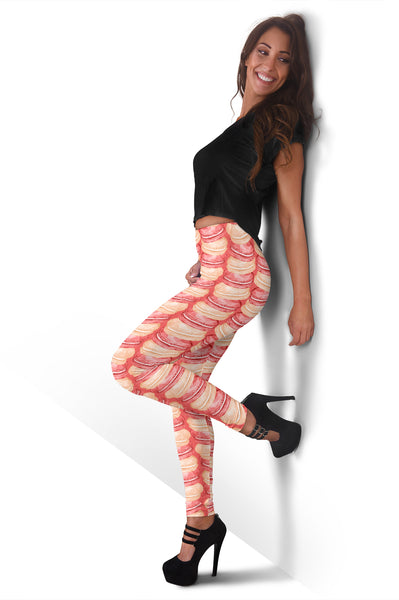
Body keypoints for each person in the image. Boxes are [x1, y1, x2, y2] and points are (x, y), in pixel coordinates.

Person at [111, 13, 315, 587]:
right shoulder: (240, 127)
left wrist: (302, 301)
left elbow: (290, 217)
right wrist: (207, 255)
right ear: (247, 55)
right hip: (219, 269)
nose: (270, 65)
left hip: (239, 275)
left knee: (130, 364)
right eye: (263, 51)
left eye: (284, 59)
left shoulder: (283, 126)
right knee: (186, 395)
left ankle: (261, 424)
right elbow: (232, 205)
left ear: (293, 72)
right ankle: (201, 522)